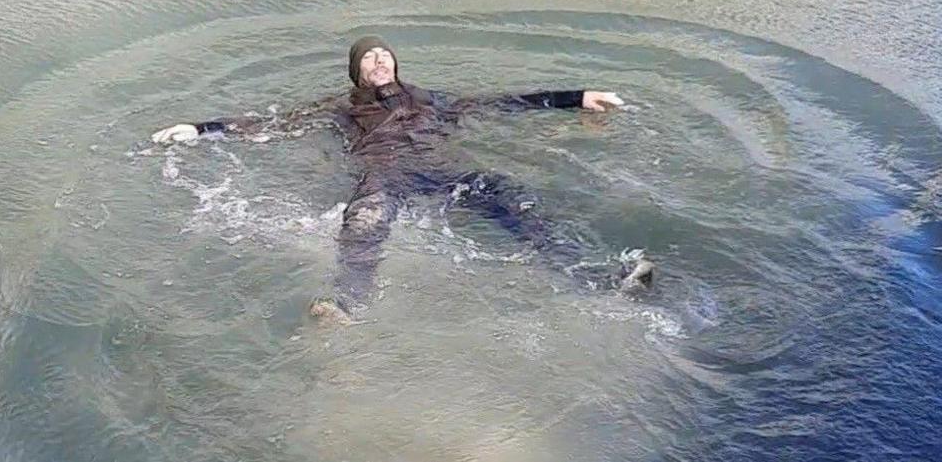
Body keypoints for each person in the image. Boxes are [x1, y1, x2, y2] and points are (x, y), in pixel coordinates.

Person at [152, 35, 655, 324]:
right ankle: (345, 305)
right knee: (363, 222)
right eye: (368, 57)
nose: (379, 60)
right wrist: (199, 129)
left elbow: (505, 103)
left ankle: (596, 278)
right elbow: (270, 125)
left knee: (516, 202)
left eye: (385, 54)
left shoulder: (432, 100)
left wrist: (575, 97)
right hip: (385, 174)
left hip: (444, 171)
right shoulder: (340, 109)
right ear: (356, 72)